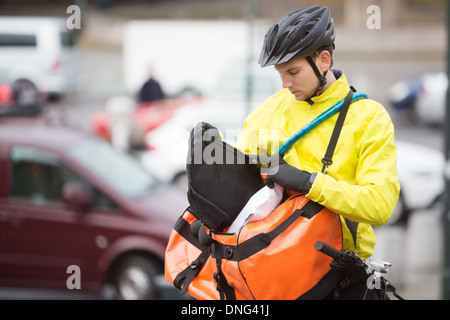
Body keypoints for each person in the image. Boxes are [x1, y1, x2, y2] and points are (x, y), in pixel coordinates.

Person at [235, 6, 400, 299]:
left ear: (324, 60)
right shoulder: (267, 113)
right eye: (280, 74)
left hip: (343, 280)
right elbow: (238, 186)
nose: (285, 84)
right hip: (276, 277)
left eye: (293, 72)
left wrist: (311, 182)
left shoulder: (369, 118)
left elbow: (379, 205)